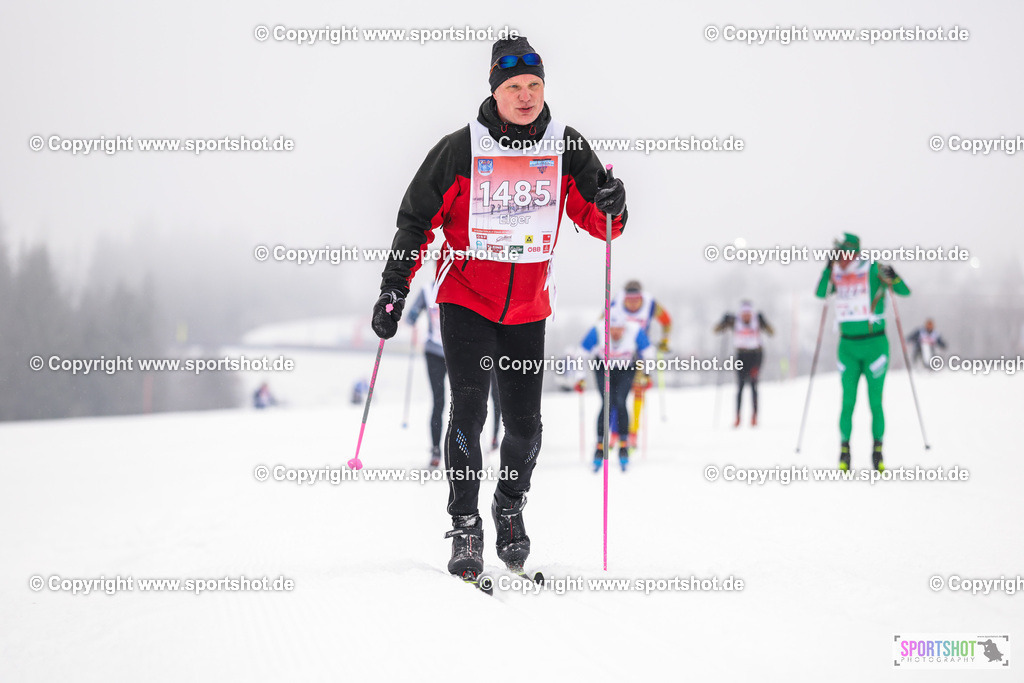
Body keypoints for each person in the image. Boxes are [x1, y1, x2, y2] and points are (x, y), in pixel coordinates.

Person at [369, 36, 627, 582]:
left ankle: (509, 506)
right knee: (468, 410)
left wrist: (614, 205)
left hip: (528, 307)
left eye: (534, 85)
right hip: (466, 298)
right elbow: (416, 222)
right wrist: (394, 289)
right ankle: (465, 524)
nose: (526, 96)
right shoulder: (459, 149)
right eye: (514, 87)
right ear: (494, 91)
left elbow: (599, 221)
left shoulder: (566, 146)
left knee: (526, 427)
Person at [815, 233, 910, 471]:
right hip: (847, 347)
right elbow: (820, 293)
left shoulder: (874, 268)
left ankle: (878, 451)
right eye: (836, 252)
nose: (839, 256)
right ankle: (844, 451)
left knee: (875, 402)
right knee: (848, 401)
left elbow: (904, 291)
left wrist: (894, 277)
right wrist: (827, 269)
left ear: (853, 252)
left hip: (875, 346)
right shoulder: (836, 272)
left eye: (841, 252)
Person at [580, 310, 652, 472]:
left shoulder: (635, 330)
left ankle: (624, 446)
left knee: (620, 401)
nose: (616, 333)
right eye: (612, 329)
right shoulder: (598, 329)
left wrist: (647, 375)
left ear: (624, 327)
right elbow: (581, 352)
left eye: (619, 329)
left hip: (626, 368)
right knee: (607, 402)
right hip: (603, 367)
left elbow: (648, 352)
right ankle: (599, 447)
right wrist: (580, 377)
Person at [608, 280, 672, 446]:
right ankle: (615, 431)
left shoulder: (650, 304)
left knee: (639, 390)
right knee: (617, 394)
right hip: (620, 354)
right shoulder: (616, 302)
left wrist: (664, 341)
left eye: (636, 299)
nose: (633, 303)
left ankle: (633, 432)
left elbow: (666, 321)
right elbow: (602, 323)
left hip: (641, 354)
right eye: (629, 299)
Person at [713, 300, 774, 427]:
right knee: (740, 387)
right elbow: (716, 330)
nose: (746, 316)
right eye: (744, 313)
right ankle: (738, 417)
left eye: (748, 313)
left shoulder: (757, 320)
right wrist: (723, 321)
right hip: (741, 356)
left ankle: (754, 416)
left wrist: (764, 321)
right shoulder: (735, 321)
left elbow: (771, 332)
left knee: (753, 386)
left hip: (755, 356)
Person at [405, 280, 446, 468]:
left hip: (457, 353)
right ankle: (436, 450)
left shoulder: (460, 286)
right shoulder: (427, 291)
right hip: (434, 353)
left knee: (462, 402)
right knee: (439, 401)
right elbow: (410, 318)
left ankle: (460, 450)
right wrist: (414, 314)